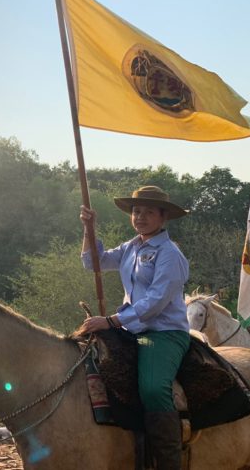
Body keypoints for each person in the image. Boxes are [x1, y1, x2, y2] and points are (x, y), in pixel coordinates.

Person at [78, 186, 190, 470]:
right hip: (130, 330)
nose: (140, 217)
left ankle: (168, 462)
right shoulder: (131, 247)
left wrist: (111, 321)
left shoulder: (169, 254)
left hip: (162, 334)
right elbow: (93, 263)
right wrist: (88, 229)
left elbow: (155, 302)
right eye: (136, 211)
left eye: (148, 212)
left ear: (163, 218)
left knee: (153, 389)